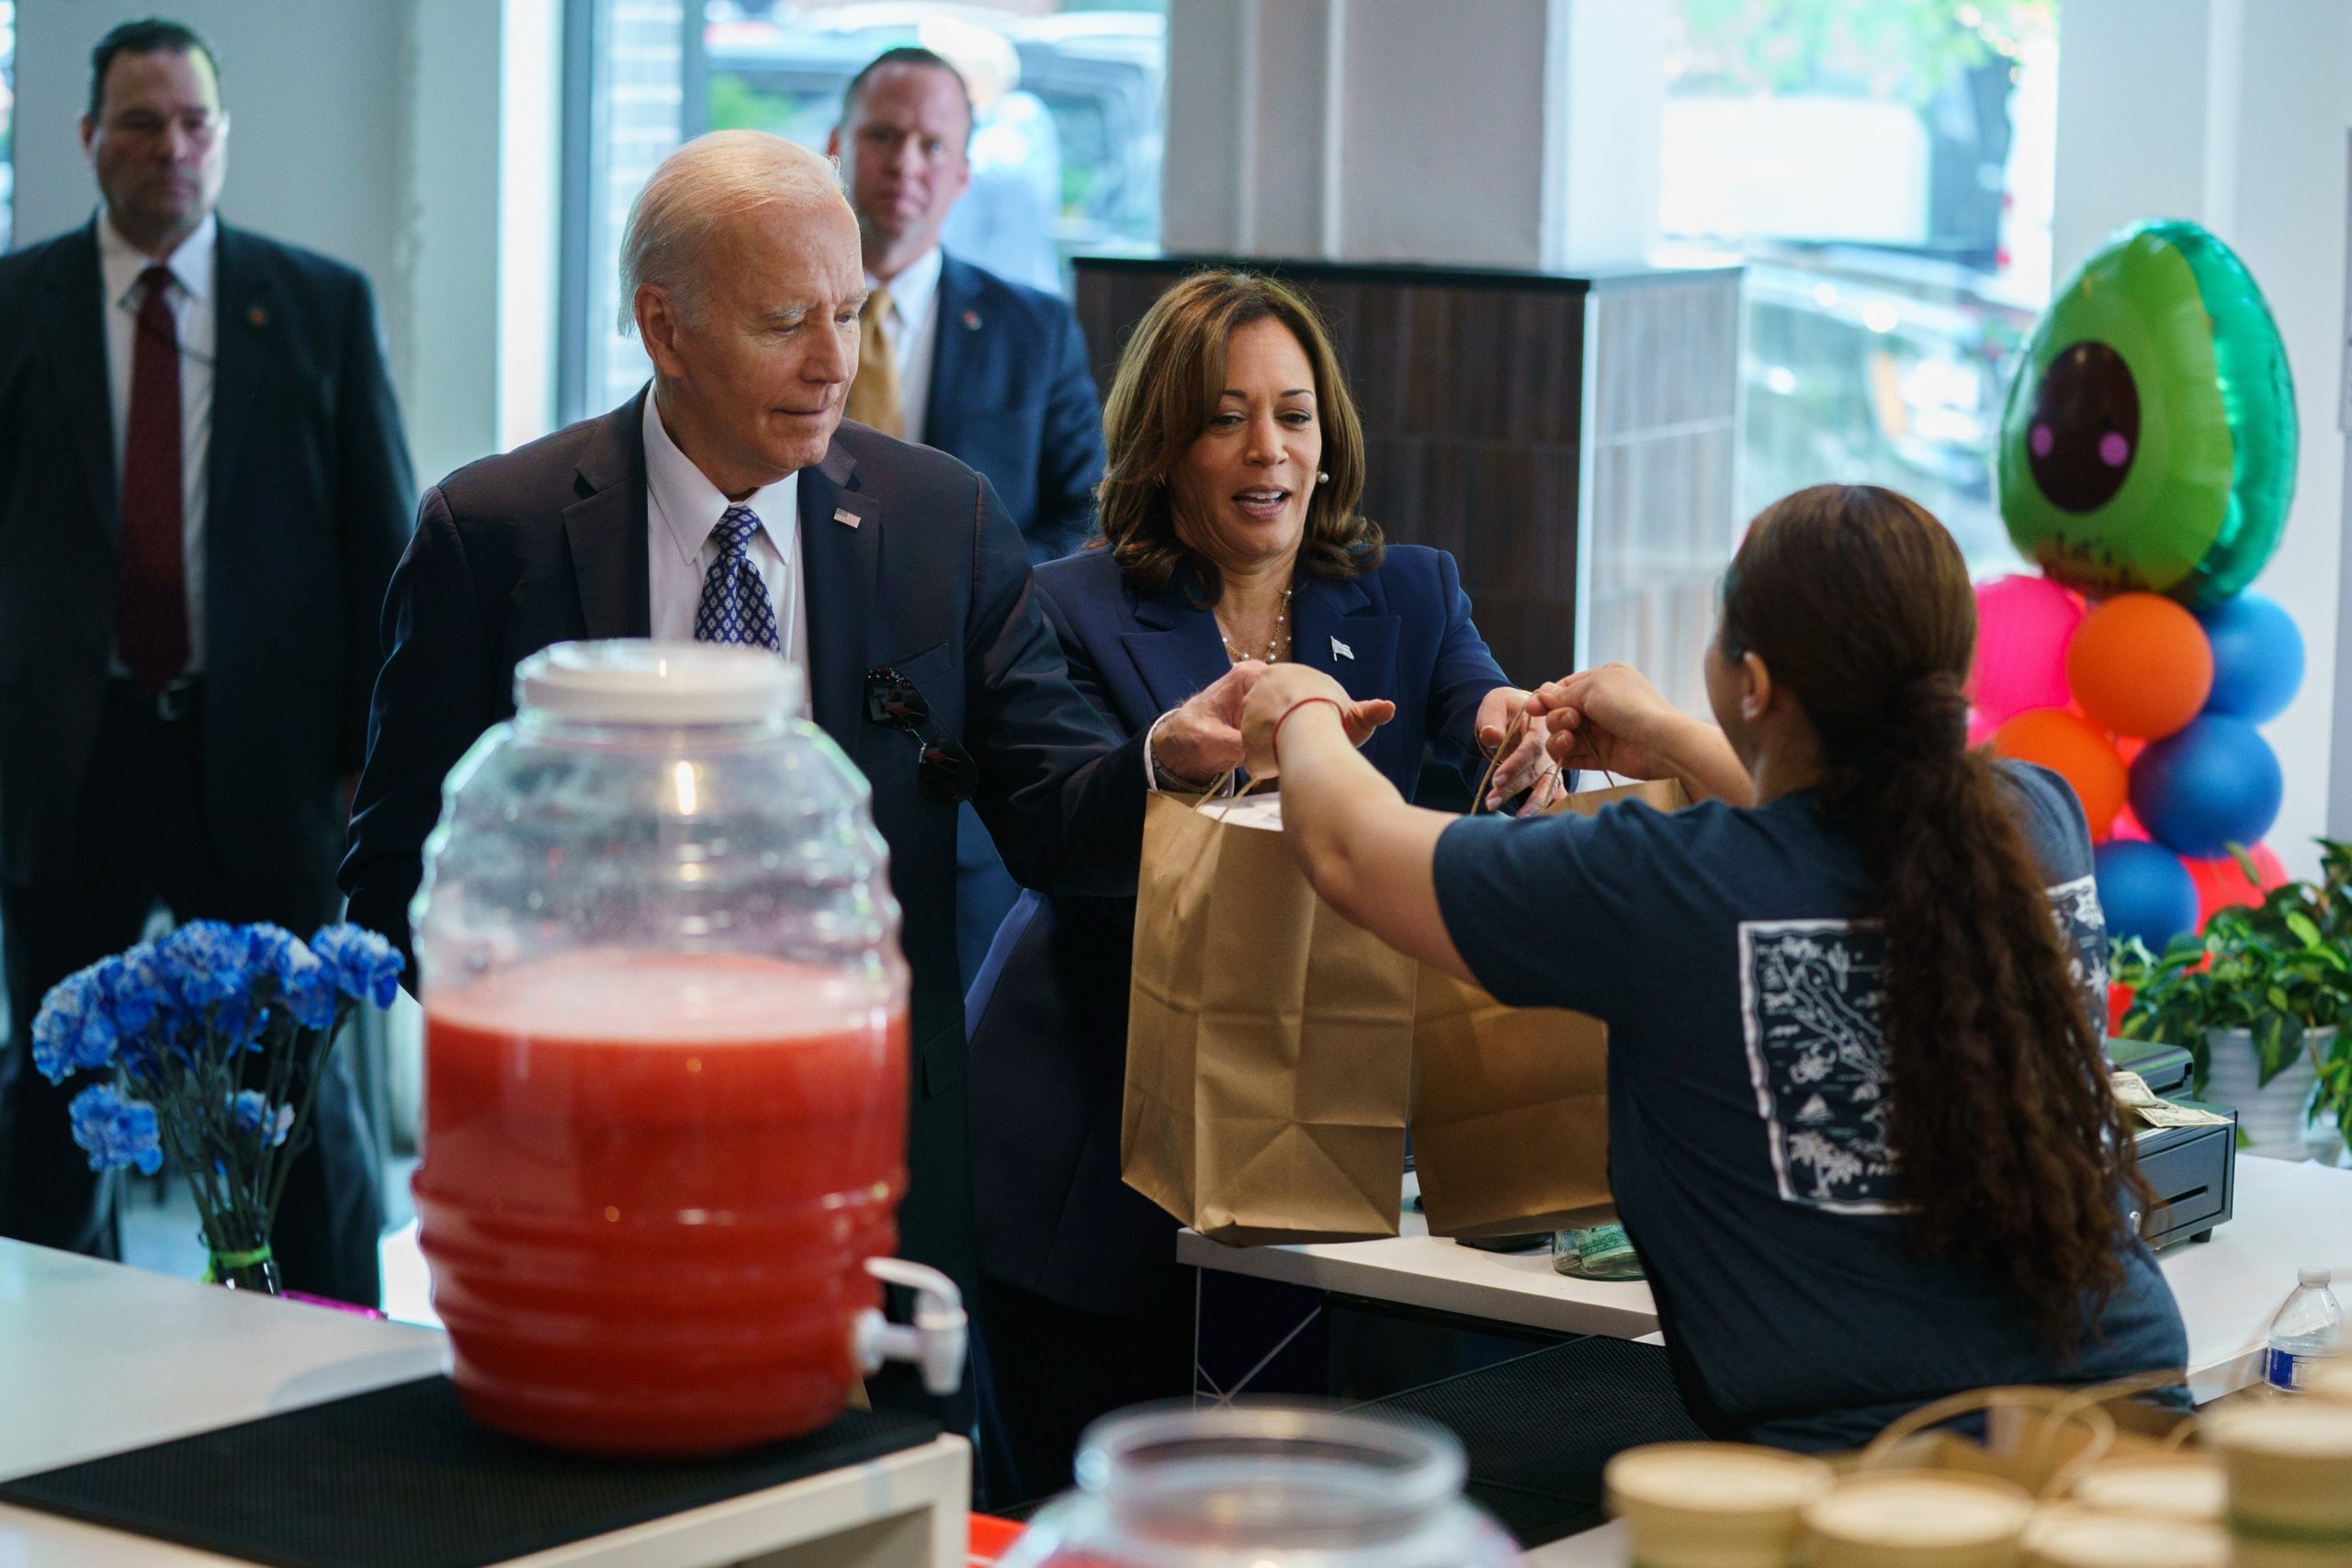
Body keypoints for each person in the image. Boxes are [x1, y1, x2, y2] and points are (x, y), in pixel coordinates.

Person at [338, 131, 1253, 1394]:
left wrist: (1168, 757)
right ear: (665, 327)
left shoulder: (941, 523)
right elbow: (394, 879)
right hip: (582, 1167)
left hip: (868, 1166)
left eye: (849, 311)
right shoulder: (493, 536)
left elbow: (1054, 813)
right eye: (786, 324)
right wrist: (594, 1025)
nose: (837, 365)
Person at [1237, 483, 2189, 1452]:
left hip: (1867, 1488)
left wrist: (1299, 706)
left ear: (1758, 683)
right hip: (2131, 1435)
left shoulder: (1673, 884)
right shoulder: (2036, 819)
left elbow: (1356, 852)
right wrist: (1669, 734)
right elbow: (1858, 829)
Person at [962, 269, 1563, 1506]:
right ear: (1161, 446)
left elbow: (1478, 718)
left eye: (1294, 413)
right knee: (1094, 1511)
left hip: (1324, 1127)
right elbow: (1057, 835)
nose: (1267, 448)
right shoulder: (1061, 605)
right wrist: (1167, 760)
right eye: (1225, 415)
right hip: (1092, 1142)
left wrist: (1517, 741)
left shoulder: (1411, 590)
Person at [0, 17, 413, 1306]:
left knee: (308, 1088)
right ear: (88, 141)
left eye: (194, 123)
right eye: (141, 122)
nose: (171, 148)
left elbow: (379, 541)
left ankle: (344, 1348)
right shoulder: (18, 303)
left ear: (222, 140)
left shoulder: (317, 305)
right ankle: (59, 1357)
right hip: (72, 757)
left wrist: (370, 755)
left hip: (270, 760)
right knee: (58, 1087)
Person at [830, 45, 1112, 995]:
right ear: (836, 146)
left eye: (929, 143)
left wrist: (950, 604)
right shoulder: (779, 326)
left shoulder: (1033, 330)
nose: (904, 163)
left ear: (962, 170)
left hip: (962, 735)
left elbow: (1083, 515)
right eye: (881, 135)